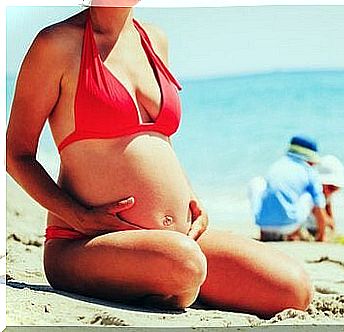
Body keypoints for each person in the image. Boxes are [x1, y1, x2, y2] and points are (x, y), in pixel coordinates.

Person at [6, 1, 312, 318]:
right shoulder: (56, 43)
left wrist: (191, 197)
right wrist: (80, 216)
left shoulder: (154, 39)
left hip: (179, 240)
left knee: (293, 289)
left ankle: (170, 281)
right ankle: (170, 281)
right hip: (87, 242)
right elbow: (18, 155)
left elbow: (158, 142)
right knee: (184, 265)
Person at [248, 135, 330, 242]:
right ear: (310, 158)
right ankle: (293, 233)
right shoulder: (309, 172)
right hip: (289, 226)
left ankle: (264, 233)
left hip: (263, 224)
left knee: (257, 182)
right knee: (310, 196)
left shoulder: (277, 165)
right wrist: (321, 236)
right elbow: (319, 206)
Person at [304, 155, 344, 239]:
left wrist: (333, 228)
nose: (330, 192)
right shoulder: (311, 195)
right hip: (304, 227)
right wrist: (328, 223)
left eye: (335, 189)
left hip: (317, 227)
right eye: (330, 188)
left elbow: (329, 212)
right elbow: (320, 215)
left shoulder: (327, 195)